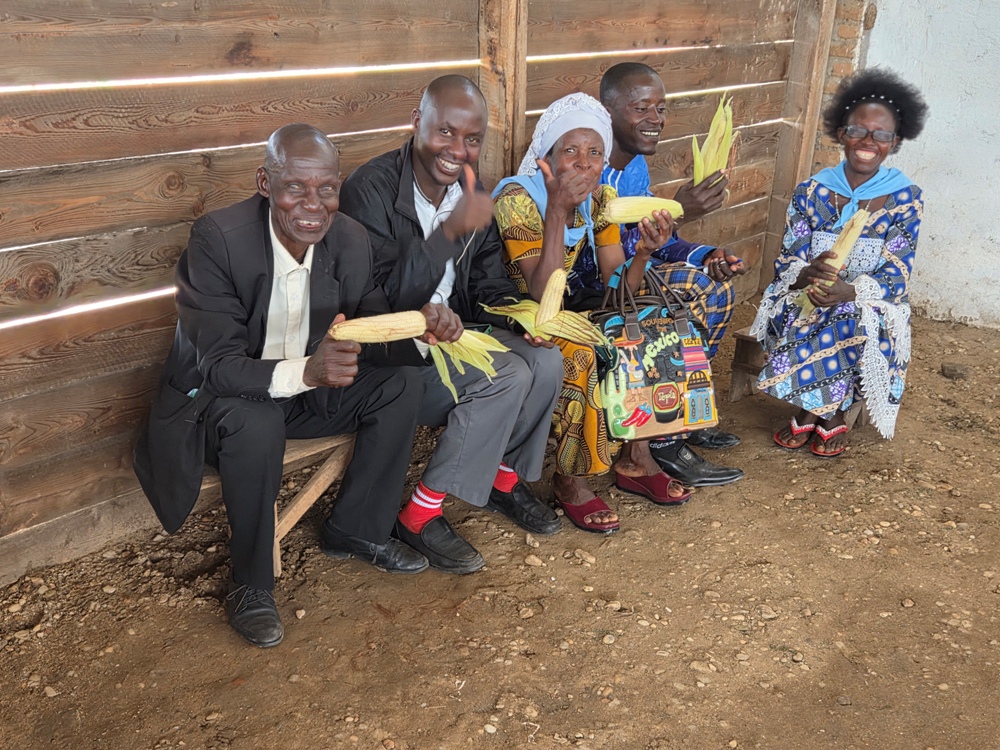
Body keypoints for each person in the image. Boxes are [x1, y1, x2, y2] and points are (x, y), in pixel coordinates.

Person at [133, 124, 464, 648]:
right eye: (295, 188)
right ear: (265, 183)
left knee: (401, 383)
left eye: (327, 189)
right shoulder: (218, 240)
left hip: (308, 391)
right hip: (222, 404)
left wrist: (421, 329)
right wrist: (306, 372)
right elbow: (218, 366)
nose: (314, 205)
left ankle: (357, 529)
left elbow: (371, 330)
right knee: (257, 420)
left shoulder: (348, 239)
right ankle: (251, 584)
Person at [339, 75, 564, 573]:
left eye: (472, 139)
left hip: (452, 334)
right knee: (508, 375)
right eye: (446, 132)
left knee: (545, 360)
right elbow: (377, 300)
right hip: (393, 350)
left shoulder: (469, 190)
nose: (458, 150)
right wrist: (449, 230)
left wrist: (519, 318)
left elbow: (488, 285)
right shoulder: (370, 190)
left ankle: (502, 478)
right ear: (416, 122)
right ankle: (420, 514)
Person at [493, 92, 702, 534]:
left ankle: (637, 456)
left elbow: (616, 289)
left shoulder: (601, 197)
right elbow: (539, 291)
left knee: (647, 327)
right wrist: (557, 211)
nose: (584, 164)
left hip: (568, 310)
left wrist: (643, 253)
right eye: (570, 150)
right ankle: (571, 479)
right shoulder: (516, 197)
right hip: (518, 317)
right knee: (581, 354)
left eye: (594, 153)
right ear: (547, 157)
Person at [750, 68, 928, 457]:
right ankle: (828, 411)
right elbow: (789, 259)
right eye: (857, 130)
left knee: (848, 312)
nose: (868, 141)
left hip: (869, 299)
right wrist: (806, 274)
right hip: (807, 293)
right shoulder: (811, 191)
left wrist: (850, 291)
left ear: (895, 142)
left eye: (881, 135)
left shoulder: (905, 198)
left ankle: (817, 411)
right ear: (842, 134)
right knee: (815, 305)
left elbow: (897, 274)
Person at [598, 62, 744, 487]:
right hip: (600, 288)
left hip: (634, 269)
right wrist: (678, 212)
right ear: (607, 111)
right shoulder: (590, 166)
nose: (656, 119)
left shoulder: (633, 168)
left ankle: (685, 410)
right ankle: (664, 437)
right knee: (691, 290)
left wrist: (706, 254)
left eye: (660, 108)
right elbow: (597, 263)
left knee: (715, 283)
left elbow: (655, 240)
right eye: (641, 108)